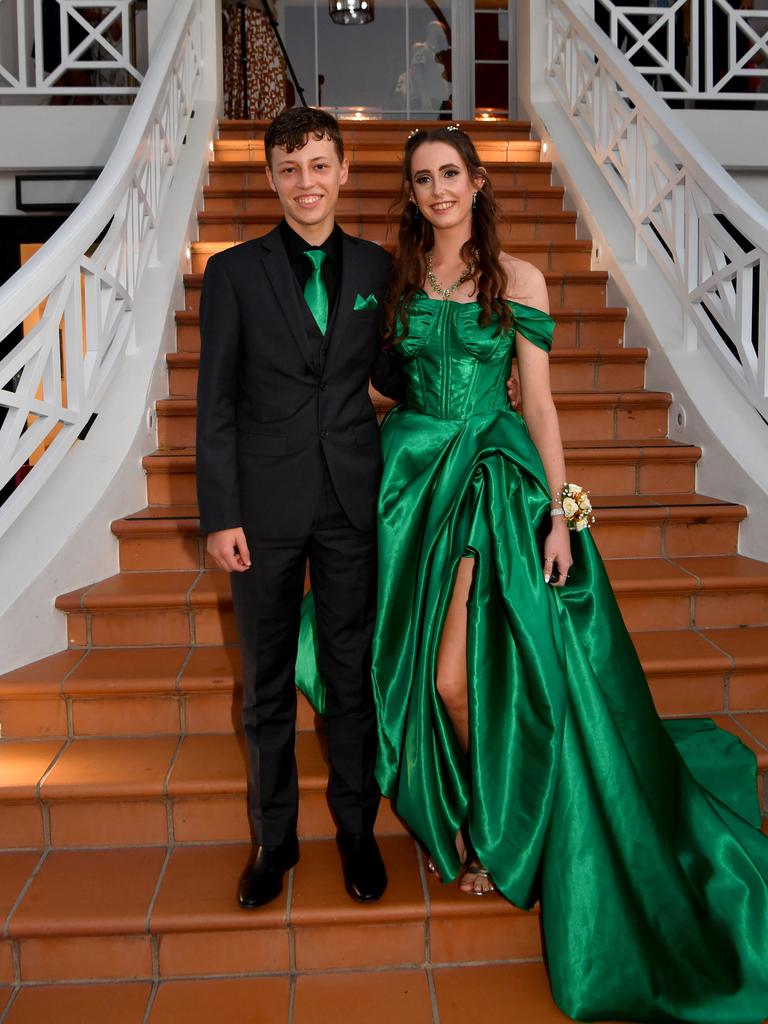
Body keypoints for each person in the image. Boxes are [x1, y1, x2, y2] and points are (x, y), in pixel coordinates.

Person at [297, 125, 768, 1022]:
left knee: (459, 678)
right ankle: (478, 816)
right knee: (403, 667)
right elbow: (382, 388)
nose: (438, 190)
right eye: (423, 180)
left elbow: (541, 404)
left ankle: (492, 833)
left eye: (450, 175)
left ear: (477, 182)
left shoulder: (519, 282)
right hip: (410, 487)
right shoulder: (393, 283)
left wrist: (565, 510)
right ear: (410, 194)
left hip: (493, 481)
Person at [196, 106, 406, 909]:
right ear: (272, 178)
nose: (306, 182)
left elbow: (398, 368)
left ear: (344, 171)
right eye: (290, 169)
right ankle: (273, 842)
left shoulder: (379, 270)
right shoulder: (234, 273)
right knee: (266, 686)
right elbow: (213, 402)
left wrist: (493, 381)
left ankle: (356, 830)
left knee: (351, 677)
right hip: (263, 510)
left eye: (320, 165)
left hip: (353, 501)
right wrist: (220, 515)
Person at [222, 0, 286, 119]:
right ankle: (244, 115)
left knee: (258, 70)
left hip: (259, 24)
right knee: (243, 70)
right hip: (241, 22)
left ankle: (259, 114)